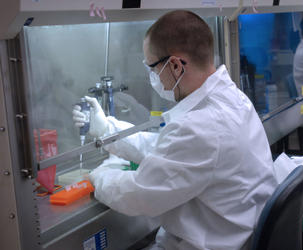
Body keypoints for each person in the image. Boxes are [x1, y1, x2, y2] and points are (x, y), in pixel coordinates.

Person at [73, 10, 278, 250]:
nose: (153, 76)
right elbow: (169, 150)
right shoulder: (230, 98)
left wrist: (98, 177)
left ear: (175, 65)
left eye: (152, 67)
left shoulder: (202, 125)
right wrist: (109, 129)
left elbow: (139, 195)